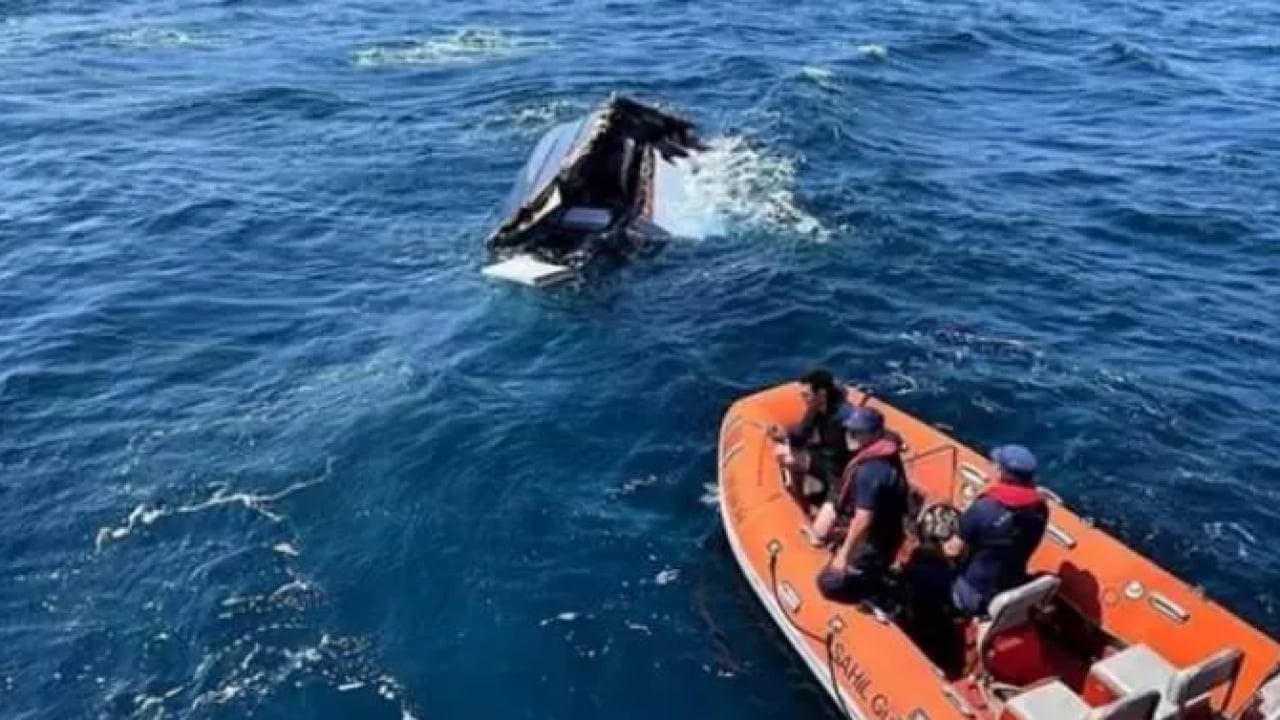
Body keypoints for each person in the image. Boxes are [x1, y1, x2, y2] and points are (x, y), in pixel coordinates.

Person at [813, 406, 910, 604]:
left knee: (828, 583)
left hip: (876, 543)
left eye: (858, 432)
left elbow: (863, 519)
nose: (851, 436)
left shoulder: (870, 472)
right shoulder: (888, 451)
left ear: (874, 434)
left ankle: (877, 593)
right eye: (850, 430)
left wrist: (844, 556)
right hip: (890, 531)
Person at [944, 444, 1049, 617]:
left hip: (974, 595)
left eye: (997, 465)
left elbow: (952, 551)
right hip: (1010, 586)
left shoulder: (983, 509)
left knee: (927, 571)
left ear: (1003, 473)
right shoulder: (1040, 509)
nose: (993, 466)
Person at [767, 369, 852, 505]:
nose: (804, 399)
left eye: (807, 395)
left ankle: (810, 502)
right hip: (826, 458)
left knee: (788, 456)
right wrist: (785, 434)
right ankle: (801, 500)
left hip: (840, 468)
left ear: (821, 394)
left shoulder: (844, 417)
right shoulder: (815, 408)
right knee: (783, 453)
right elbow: (801, 436)